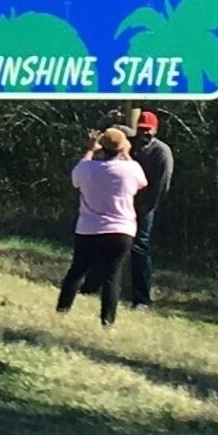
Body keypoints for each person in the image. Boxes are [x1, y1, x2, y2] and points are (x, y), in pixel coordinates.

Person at [56, 126, 145, 328]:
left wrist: (89, 149)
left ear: (101, 148)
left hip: (89, 229)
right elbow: (142, 183)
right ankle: (108, 323)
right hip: (121, 231)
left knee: (76, 272)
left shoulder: (87, 169)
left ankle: (61, 312)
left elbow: (75, 179)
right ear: (122, 149)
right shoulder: (131, 169)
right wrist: (127, 154)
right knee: (112, 277)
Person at [126, 109, 174, 309]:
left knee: (140, 247)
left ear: (155, 130)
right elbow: (111, 132)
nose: (144, 134)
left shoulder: (161, 152)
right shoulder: (129, 142)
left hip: (145, 205)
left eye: (148, 130)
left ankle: (142, 299)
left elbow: (162, 185)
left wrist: (144, 208)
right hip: (122, 202)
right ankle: (93, 286)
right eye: (141, 129)